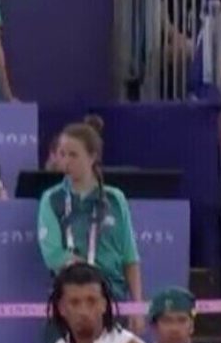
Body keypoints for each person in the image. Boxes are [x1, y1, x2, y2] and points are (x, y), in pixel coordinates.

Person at [38, 121, 144, 324]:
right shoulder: (52, 199)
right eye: (62, 154)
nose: (66, 161)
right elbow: (53, 255)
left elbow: (129, 257)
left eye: (73, 155)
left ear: (92, 157)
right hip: (71, 298)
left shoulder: (115, 199)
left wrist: (137, 306)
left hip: (113, 299)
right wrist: (89, 279)